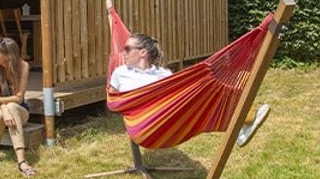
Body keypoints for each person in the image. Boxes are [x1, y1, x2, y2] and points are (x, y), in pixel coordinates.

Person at [109, 34, 269, 148]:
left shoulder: (163, 74)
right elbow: (113, 101)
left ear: (142, 52)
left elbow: (178, 99)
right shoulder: (120, 72)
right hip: (143, 125)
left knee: (209, 88)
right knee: (206, 83)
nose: (123, 52)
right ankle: (243, 121)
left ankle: (239, 126)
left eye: (127, 49)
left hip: (167, 120)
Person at [0, 37, 37, 176]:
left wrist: (5, 107)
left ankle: (21, 160)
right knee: (0, 114)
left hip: (19, 111)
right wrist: (4, 109)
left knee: (12, 107)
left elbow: (19, 98)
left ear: (7, 56)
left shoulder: (23, 66)